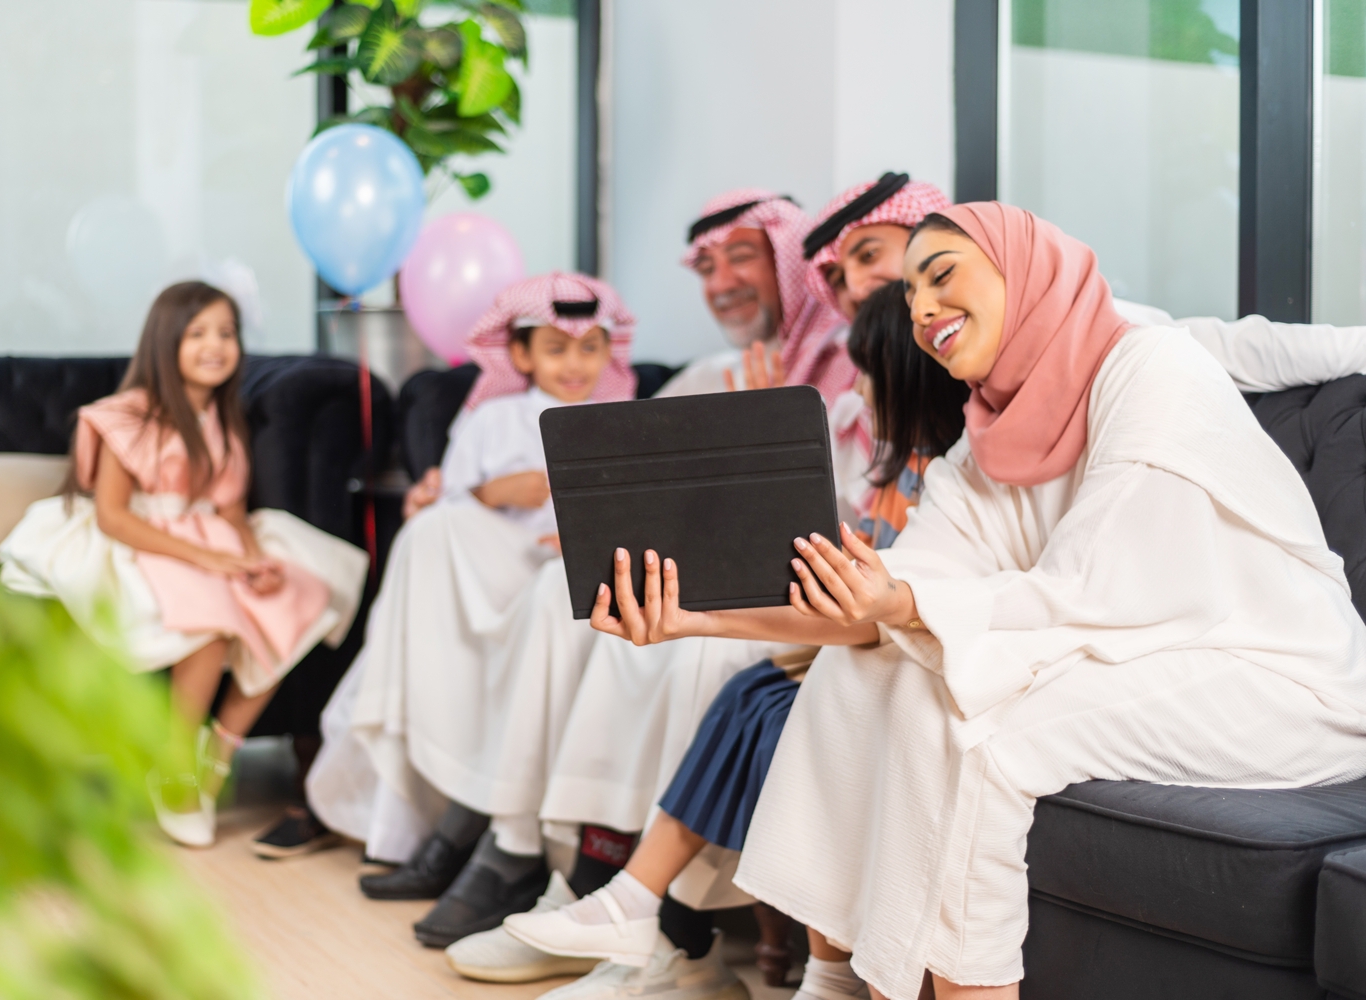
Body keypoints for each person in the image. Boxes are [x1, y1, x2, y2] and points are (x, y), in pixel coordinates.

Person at [576, 203, 1366, 999]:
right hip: (1131, 649)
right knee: (858, 675)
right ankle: (839, 979)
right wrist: (693, 619)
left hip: (1277, 676)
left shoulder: (1151, 366)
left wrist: (906, 604)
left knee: (984, 738)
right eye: (911, 292)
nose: (920, 308)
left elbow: (1102, 585)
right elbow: (874, 605)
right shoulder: (986, 443)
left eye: (942, 275)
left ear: (1024, 275)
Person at [440, 184, 950, 998]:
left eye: (869, 259)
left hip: (844, 605)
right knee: (619, 622)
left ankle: (672, 928)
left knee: (706, 660)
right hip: (815, 589)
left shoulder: (907, 363)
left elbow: (858, 532)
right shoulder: (787, 363)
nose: (851, 286)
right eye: (841, 268)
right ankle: (584, 877)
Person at [302, 272, 639, 947]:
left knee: (555, 594)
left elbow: (637, 517)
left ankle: (487, 840)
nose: (574, 364)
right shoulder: (490, 419)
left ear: (610, 353)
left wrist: (578, 532)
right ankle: (436, 827)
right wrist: (493, 494)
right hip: (489, 572)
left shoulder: (623, 421)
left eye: (590, 348)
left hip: (567, 576)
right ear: (519, 356)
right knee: (429, 533)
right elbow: (450, 504)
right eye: (555, 348)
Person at [0, 281, 367, 848]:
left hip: (211, 539)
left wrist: (249, 560)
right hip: (145, 540)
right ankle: (174, 765)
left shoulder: (224, 422)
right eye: (197, 334)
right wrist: (208, 558)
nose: (215, 345)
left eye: (226, 333)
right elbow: (114, 517)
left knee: (289, 600)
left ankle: (214, 762)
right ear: (165, 342)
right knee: (213, 622)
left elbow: (232, 510)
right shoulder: (129, 416)